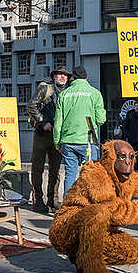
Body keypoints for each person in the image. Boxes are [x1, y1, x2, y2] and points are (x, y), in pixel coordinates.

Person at [49, 139, 138, 273]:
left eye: (131, 157)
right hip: (66, 229)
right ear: (111, 157)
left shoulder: (126, 177)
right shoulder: (95, 175)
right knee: (99, 212)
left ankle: (81, 257)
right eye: (122, 156)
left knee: (134, 251)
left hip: (97, 232)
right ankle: (90, 269)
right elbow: (116, 212)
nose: (127, 162)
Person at [53, 66, 106, 195]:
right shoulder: (94, 93)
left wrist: (57, 142)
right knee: (90, 175)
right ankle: (88, 206)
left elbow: (58, 121)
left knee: (70, 174)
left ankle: (68, 207)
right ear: (86, 78)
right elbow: (101, 119)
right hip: (88, 140)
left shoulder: (64, 94)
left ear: (73, 79)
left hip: (68, 141)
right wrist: (90, 122)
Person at [26, 67, 69, 213]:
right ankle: (38, 201)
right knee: (37, 169)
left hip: (58, 136)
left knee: (55, 169)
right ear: (54, 76)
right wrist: (43, 121)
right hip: (41, 134)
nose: (62, 77)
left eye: (65, 75)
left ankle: (53, 200)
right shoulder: (46, 89)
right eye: (59, 74)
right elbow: (31, 106)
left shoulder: (68, 92)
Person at [120, 100, 138, 169]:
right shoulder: (130, 115)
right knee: (131, 154)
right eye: (135, 106)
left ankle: (137, 168)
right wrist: (127, 135)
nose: (136, 108)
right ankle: (131, 168)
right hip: (131, 139)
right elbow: (125, 126)